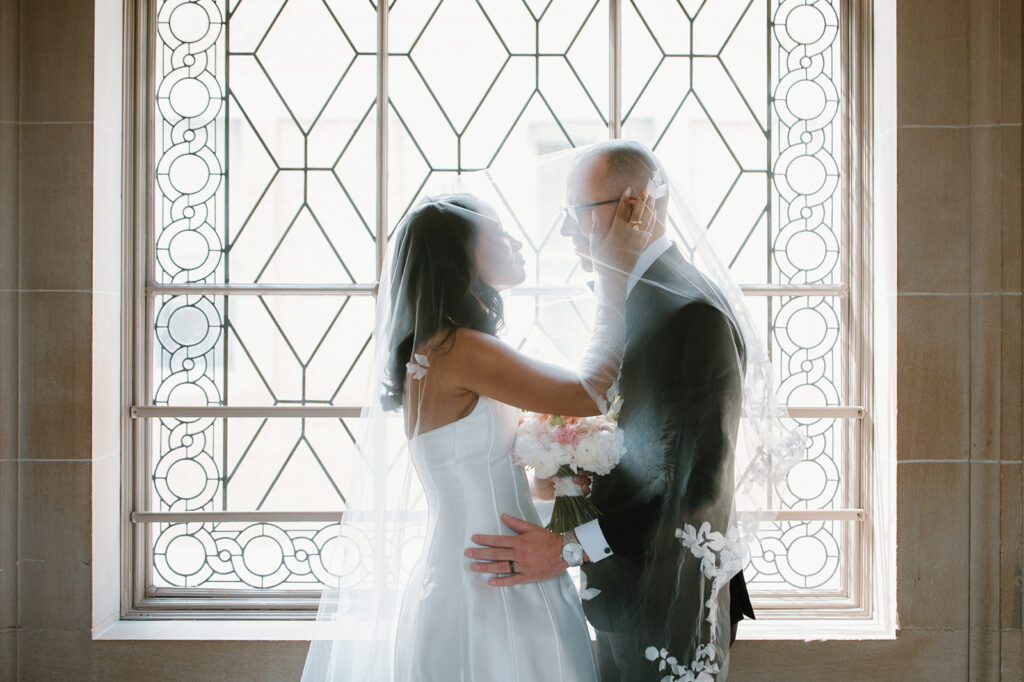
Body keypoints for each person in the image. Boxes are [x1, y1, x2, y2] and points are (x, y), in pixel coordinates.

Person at [302, 189, 654, 681]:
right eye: (497, 231)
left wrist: (553, 477)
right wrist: (617, 277)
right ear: (461, 254)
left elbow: (475, 467)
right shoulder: (458, 348)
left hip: (489, 566)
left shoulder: (442, 349)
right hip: (492, 582)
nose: (514, 239)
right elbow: (589, 393)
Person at [466, 140, 756, 681]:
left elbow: (694, 487)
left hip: (669, 603)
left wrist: (569, 551)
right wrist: (574, 470)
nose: (567, 232)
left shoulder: (691, 314)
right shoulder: (639, 297)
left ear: (634, 204)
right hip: (630, 590)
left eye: (578, 213)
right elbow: (645, 446)